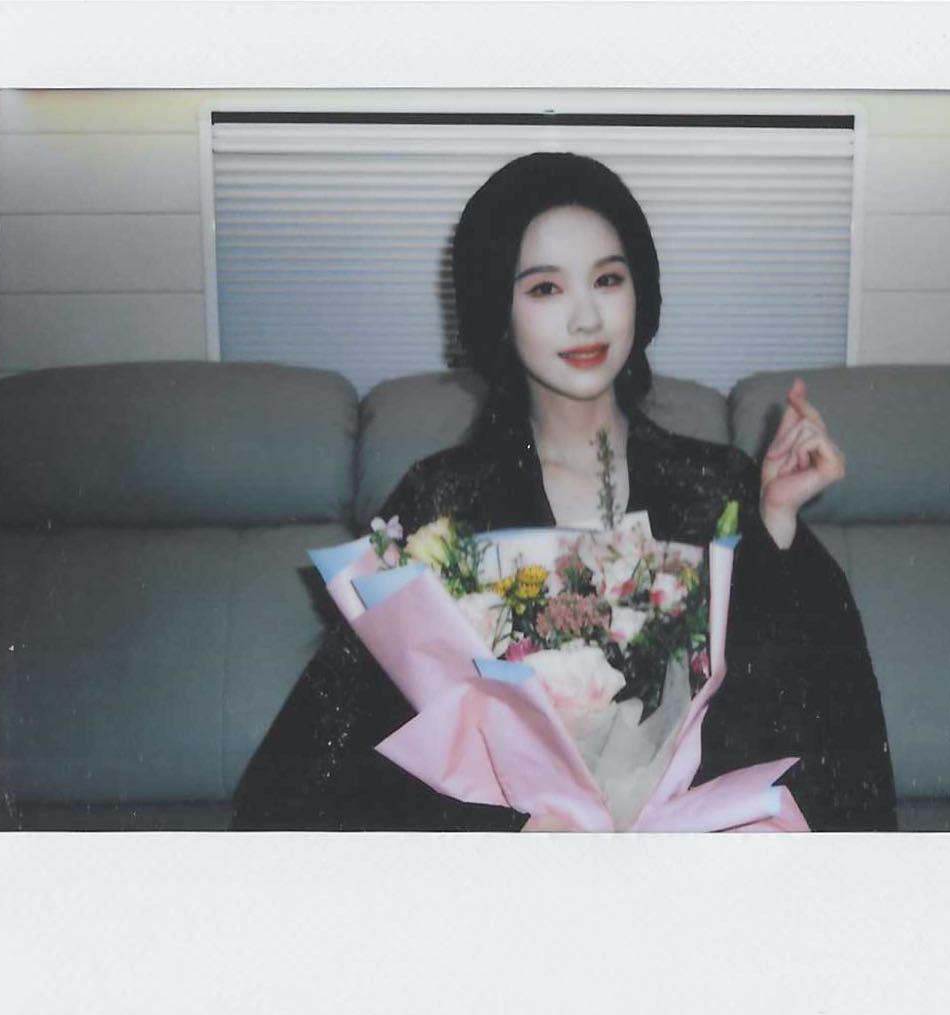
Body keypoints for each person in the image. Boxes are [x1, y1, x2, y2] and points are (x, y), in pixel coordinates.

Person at [231, 153, 898, 832]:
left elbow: (804, 716)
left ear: (640, 293)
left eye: (607, 279)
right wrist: (508, 830)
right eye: (545, 288)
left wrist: (776, 524)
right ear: (497, 308)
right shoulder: (442, 502)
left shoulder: (719, 483)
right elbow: (334, 748)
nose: (585, 318)